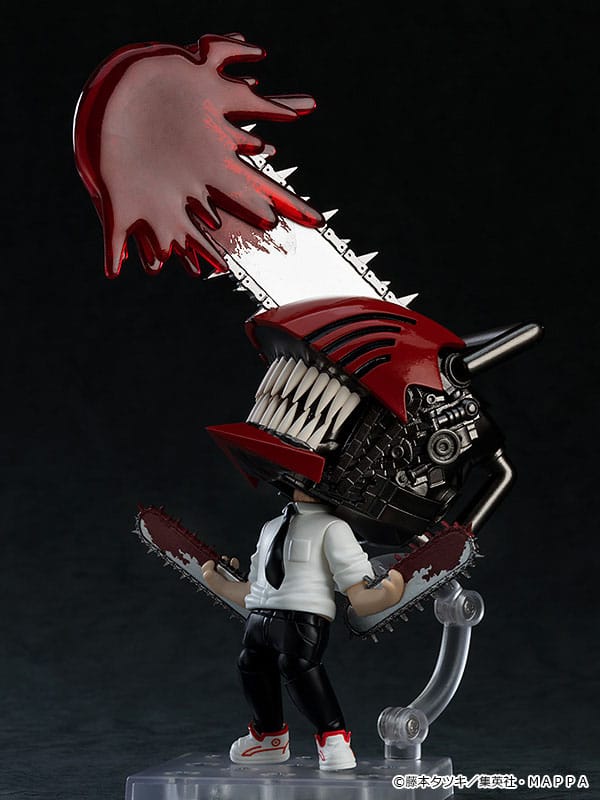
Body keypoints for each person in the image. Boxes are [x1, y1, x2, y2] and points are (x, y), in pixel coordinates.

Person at [201, 488, 405, 770]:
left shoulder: (334, 528)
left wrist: (386, 596)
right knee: (251, 663)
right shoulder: (271, 527)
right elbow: (252, 588)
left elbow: (357, 592)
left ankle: (333, 736)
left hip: (302, 615)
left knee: (298, 667)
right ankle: (269, 737)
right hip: (260, 614)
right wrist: (220, 583)